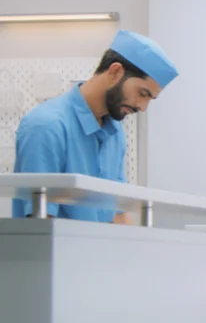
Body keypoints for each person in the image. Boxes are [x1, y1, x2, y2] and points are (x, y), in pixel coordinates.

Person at [12, 30, 178, 222]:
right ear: (115, 72)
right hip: (56, 251)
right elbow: (40, 221)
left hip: (96, 250)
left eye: (150, 99)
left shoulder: (115, 133)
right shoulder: (47, 126)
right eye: (142, 93)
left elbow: (117, 213)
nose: (142, 106)